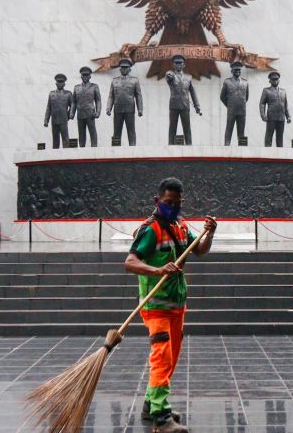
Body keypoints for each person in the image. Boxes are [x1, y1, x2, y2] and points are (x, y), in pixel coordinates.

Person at [124, 178, 217, 432]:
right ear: (157, 201)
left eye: (177, 203)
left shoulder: (180, 226)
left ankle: (150, 405)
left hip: (177, 304)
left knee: (171, 358)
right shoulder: (150, 229)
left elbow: (200, 250)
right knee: (162, 357)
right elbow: (130, 262)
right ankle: (162, 418)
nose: (173, 207)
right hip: (156, 306)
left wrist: (210, 233)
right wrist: (156, 269)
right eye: (168, 203)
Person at [165, 55, 201, 145]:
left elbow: (193, 93)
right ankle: (170, 145)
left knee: (187, 128)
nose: (178, 65)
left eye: (180, 63)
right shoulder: (171, 75)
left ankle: (189, 146)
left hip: (185, 106)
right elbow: (168, 76)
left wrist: (197, 106)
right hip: (174, 106)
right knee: (172, 128)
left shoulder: (189, 77)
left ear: (184, 65)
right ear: (173, 65)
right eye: (176, 63)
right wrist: (169, 75)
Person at [106, 58, 143, 145]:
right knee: (116, 132)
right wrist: (108, 108)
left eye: (126, 67)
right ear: (120, 69)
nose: (124, 69)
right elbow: (111, 96)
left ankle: (133, 150)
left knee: (131, 132)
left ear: (130, 69)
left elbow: (138, 96)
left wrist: (140, 109)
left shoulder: (135, 80)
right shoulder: (114, 81)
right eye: (122, 68)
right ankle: (115, 152)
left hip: (129, 110)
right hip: (118, 109)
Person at [71, 66, 101, 147]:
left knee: (92, 132)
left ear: (89, 76)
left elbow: (98, 100)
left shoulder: (94, 86)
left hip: (90, 114)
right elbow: (73, 102)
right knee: (81, 134)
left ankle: (94, 148)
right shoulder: (76, 88)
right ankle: (81, 149)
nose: (85, 77)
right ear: (81, 76)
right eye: (83, 75)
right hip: (80, 113)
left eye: (87, 75)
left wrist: (98, 112)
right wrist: (72, 113)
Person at [220, 61, 248, 145]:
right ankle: (226, 147)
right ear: (231, 71)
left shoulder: (245, 82)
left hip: (242, 111)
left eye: (239, 70)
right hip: (231, 110)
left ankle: (242, 149)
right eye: (235, 70)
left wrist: (240, 105)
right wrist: (229, 106)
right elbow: (222, 97)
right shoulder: (227, 82)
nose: (238, 72)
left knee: (241, 132)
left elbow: (246, 97)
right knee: (229, 131)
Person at [260, 72, 291, 147]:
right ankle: (267, 153)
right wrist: (263, 115)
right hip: (271, 117)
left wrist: (288, 116)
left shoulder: (283, 91)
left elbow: (285, 105)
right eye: (273, 80)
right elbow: (262, 103)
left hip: (281, 118)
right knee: (269, 136)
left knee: (280, 138)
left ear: (279, 80)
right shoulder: (266, 90)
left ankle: (280, 155)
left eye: (277, 79)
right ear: (270, 81)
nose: (275, 81)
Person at [43, 73, 73, 149]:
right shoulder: (51, 94)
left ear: (64, 84)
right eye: (58, 82)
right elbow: (48, 108)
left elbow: (73, 105)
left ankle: (66, 157)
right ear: (56, 83)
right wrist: (46, 120)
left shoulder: (68, 94)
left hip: (63, 120)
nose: (60, 84)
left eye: (61, 82)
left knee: (65, 139)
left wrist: (68, 115)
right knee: (55, 140)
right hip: (54, 120)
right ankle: (55, 157)